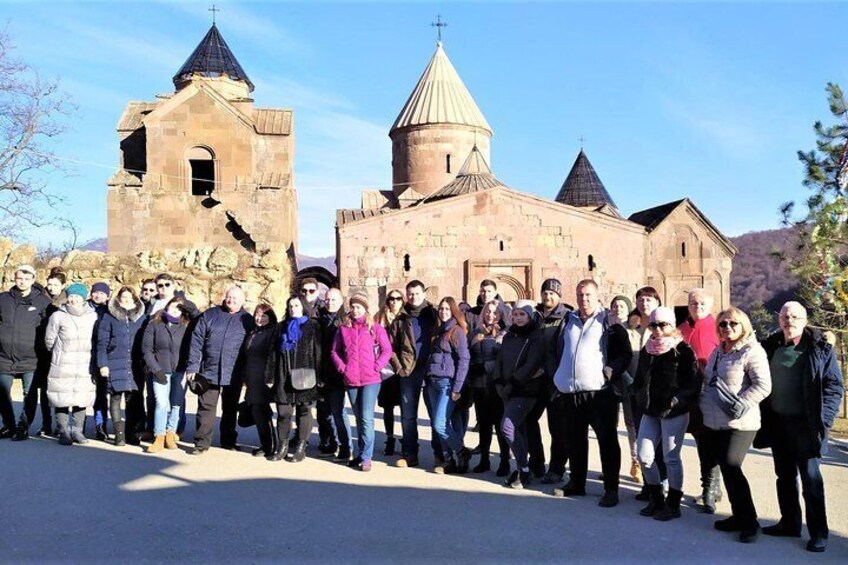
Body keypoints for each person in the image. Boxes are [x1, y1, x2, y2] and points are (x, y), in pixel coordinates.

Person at [757, 302, 844, 553]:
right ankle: (789, 523)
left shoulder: (819, 348)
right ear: (779, 319)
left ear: (805, 320)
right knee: (784, 477)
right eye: (785, 316)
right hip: (778, 422)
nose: (790, 320)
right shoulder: (771, 346)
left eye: (795, 316)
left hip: (806, 425)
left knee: (811, 480)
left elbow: (833, 386)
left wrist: (824, 419)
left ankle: (819, 533)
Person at [550, 279, 632, 508]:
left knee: (607, 441)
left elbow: (624, 354)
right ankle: (577, 482)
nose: (583, 300)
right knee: (575, 440)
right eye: (580, 295)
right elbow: (558, 349)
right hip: (571, 391)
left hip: (599, 392)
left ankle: (611, 489)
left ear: (596, 296)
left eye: (588, 295)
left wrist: (609, 372)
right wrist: (557, 375)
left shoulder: (608, 321)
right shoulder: (569, 319)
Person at [701, 306, 771, 543]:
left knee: (731, 466)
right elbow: (708, 381)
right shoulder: (719, 351)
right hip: (716, 420)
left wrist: (742, 404)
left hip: (742, 422)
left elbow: (763, 385)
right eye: (723, 324)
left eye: (733, 323)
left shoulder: (752, 351)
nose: (727, 328)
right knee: (728, 469)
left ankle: (750, 522)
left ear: (744, 326)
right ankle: (739, 516)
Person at [632, 307, 701, 521]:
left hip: (674, 411)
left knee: (671, 457)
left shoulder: (682, 350)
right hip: (650, 410)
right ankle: (656, 498)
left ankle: (673, 502)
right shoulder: (647, 349)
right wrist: (636, 394)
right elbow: (641, 378)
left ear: (672, 325)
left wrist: (677, 400)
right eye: (654, 325)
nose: (658, 330)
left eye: (663, 324)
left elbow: (693, 382)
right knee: (644, 456)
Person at [186, 286, 254, 455]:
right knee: (205, 408)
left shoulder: (248, 320)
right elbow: (196, 342)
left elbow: (251, 349)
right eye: (229, 297)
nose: (231, 300)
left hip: (234, 372)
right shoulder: (210, 315)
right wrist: (193, 366)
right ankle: (201, 443)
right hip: (208, 370)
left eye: (235, 298)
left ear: (243, 301)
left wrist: (248, 374)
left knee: (230, 409)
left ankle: (228, 441)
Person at [331, 293, 392, 471]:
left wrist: (377, 366)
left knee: (366, 417)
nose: (356, 310)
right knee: (358, 418)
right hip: (351, 379)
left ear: (366, 308)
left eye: (359, 307)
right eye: (354, 306)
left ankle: (366, 457)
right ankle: (361, 452)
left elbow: (387, 350)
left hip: (371, 379)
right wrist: (343, 367)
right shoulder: (343, 328)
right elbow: (334, 351)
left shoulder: (374, 328)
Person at [678, 288, 723, 513]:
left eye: (703, 303)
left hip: (711, 392)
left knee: (708, 442)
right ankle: (713, 486)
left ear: (711, 305)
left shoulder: (718, 327)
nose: (698, 307)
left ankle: (710, 490)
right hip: (689, 393)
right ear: (688, 305)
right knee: (700, 440)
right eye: (694, 303)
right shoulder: (682, 329)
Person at [494, 300, 545, 489]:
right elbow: (500, 359)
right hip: (507, 389)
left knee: (507, 426)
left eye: (522, 314)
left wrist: (513, 383)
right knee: (519, 430)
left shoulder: (535, 337)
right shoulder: (510, 336)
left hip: (525, 390)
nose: (518, 318)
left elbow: (531, 365)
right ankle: (523, 469)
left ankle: (524, 469)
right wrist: (498, 381)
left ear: (530, 316)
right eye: (515, 314)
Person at [265, 295, 322, 462]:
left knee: (304, 410)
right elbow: (272, 353)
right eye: (290, 306)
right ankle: (282, 447)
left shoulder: (312, 326)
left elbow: (318, 352)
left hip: (306, 374)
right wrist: (269, 375)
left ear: (303, 306)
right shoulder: (281, 327)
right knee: (284, 412)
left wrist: (320, 375)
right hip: (283, 375)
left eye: (296, 305)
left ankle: (300, 447)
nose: (293, 309)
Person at [390, 280, 438, 468]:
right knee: (408, 415)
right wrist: (398, 367)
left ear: (424, 294)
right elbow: (391, 346)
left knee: (435, 415)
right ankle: (410, 453)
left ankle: (439, 455)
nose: (413, 297)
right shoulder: (401, 318)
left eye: (417, 294)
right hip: (409, 372)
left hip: (431, 370)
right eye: (410, 294)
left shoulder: (434, 315)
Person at [0, 264, 52, 440]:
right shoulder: (3, 299)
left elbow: (50, 327)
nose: (22, 281)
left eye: (26, 278)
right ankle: (9, 425)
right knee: (2, 393)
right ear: (14, 278)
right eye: (19, 278)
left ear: (33, 280)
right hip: (4, 357)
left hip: (31, 357)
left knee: (28, 394)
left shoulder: (42, 301)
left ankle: (23, 426)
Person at [44, 283, 98, 446]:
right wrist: (59, 354)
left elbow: (96, 339)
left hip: (84, 363)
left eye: (77, 297)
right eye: (71, 296)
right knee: (61, 397)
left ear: (83, 298)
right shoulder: (58, 316)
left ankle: (77, 430)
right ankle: (63, 431)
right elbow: (49, 340)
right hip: (63, 362)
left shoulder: (92, 316)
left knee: (81, 398)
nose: (73, 300)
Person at [424, 297, 471, 474]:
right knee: (442, 423)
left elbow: (464, 359)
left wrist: (457, 387)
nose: (443, 312)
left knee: (440, 424)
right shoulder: (438, 329)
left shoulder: (456, 331)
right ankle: (451, 459)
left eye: (447, 309)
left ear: (453, 311)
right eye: (441, 309)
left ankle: (461, 452)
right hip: (433, 382)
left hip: (447, 384)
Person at [96, 286, 146, 447]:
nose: (126, 300)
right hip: (114, 362)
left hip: (135, 365)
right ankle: (119, 434)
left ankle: (133, 433)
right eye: (123, 297)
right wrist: (102, 364)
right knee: (116, 397)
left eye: (129, 298)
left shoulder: (141, 318)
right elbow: (101, 343)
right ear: (118, 299)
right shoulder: (109, 317)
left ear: (135, 299)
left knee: (134, 400)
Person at [141, 297, 192, 453]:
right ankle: (159, 437)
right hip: (160, 370)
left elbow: (194, 348)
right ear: (166, 307)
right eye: (172, 307)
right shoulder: (154, 324)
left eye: (179, 308)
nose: (175, 311)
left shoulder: (187, 326)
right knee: (162, 404)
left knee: (176, 404)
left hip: (180, 371)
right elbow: (147, 350)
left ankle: (171, 433)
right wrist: (156, 369)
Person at [630, 286, 667, 500]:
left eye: (649, 300)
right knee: (642, 438)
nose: (645, 304)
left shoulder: (665, 330)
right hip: (638, 392)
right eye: (641, 300)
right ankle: (648, 483)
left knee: (659, 442)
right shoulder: (631, 328)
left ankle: (662, 484)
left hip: (659, 393)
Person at [534, 278, 572, 484]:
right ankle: (536, 464)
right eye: (545, 293)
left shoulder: (566, 317)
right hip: (534, 379)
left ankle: (557, 469)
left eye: (552, 293)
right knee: (529, 420)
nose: (548, 296)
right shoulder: (535, 315)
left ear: (559, 296)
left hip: (555, 379)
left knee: (557, 427)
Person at [468, 300, 509, 476]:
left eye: (495, 312)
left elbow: (504, 360)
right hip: (478, 385)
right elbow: (469, 354)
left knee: (500, 426)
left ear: (501, 314)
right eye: (488, 311)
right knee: (484, 424)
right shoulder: (476, 332)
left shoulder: (505, 333)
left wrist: (485, 367)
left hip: (496, 386)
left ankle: (505, 461)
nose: (490, 315)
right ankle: (484, 459)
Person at [316, 288, 351, 460]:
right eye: (327, 299)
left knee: (338, 411)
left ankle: (346, 446)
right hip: (322, 372)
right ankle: (333, 442)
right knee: (324, 412)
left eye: (333, 300)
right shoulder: (319, 319)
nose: (330, 303)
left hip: (338, 373)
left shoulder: (346, 320)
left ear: (341, 301)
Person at [609, 294, 641, 483]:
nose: (618, 308)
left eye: (622, 305)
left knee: (631, 424)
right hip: (612, 382)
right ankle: (611, 466)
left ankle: (636, 462)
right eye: (615, 305)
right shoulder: (606, 328)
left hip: (630, 382)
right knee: (610, 426)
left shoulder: (635, 330)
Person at [240, 304, 278, 459]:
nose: (259, 318)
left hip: (263, 378)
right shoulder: (254, 332)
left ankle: (270, 446)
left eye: (263, 315)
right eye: (257, 314)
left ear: (270, 317)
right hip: (252, 377)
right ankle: (267, 444)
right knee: (258, 412)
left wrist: (270, 377)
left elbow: (272, 356)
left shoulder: (271, 332)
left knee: (261, 412)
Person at [375, 289, 405, 456]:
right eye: (391, 299)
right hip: (386, 368)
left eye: (397, 299)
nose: (394, 302)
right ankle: (390, 437)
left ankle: (405, 438)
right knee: (388, 407)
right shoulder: (379, 318)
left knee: (405, 407)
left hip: (402, 367)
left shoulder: (405, 318)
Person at [89, 281, 111, 441]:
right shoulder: (84, 309)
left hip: (103, 356)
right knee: (84, 392)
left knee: (101, 395)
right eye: (96, 292)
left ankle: (100, 426)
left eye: (102, 293)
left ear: (107, 295)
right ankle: (78, 426)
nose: (98, 295)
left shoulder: (110, 311)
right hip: (85, 355)